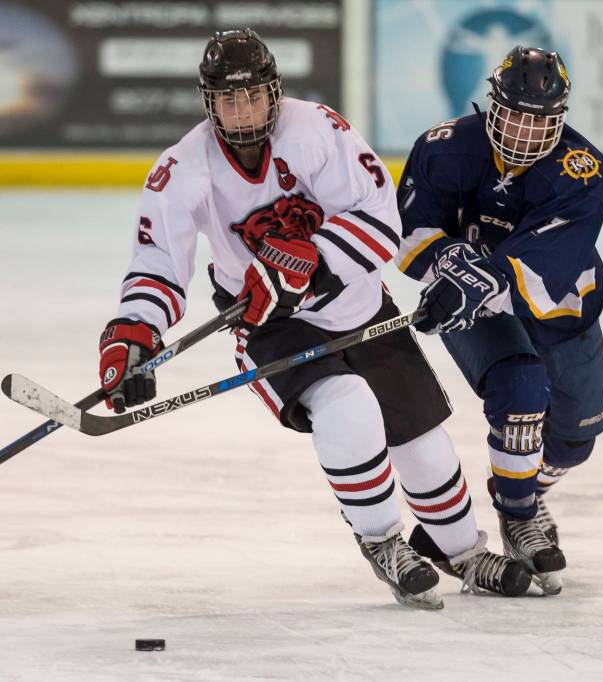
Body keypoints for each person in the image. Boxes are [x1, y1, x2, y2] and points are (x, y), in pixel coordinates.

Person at [96, 28, 531, 609]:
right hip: (271, 324)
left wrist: (314, 265)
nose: (242, 110)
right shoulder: (182, 170)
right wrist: (135, 335)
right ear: (209, 102)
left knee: (424, 444)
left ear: (274, 93)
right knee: (347, 405)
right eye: (228, 99)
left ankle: (463, 552)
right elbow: (157, 266)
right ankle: (382, 542)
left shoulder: (317, 130)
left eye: (252, 96)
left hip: (357, 303)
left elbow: (381, 220)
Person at [395, 46, 603, 594]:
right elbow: (412, 228)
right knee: (520, 388)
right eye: (514, 114)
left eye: (540, 119)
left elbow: (551, 258)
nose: (524, 131)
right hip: (474, 309)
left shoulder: (583, 172)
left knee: (576, 438)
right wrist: (446, 266)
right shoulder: (444, 148)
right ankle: (517, 515)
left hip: (559, 308)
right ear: (490, 107)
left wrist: (482, 276)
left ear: (560, 117)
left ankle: (527, 491)